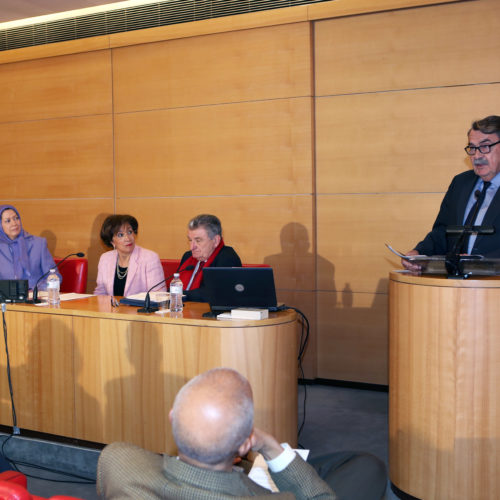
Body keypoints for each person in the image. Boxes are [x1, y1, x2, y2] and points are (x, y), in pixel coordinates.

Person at [97, 368, 387, 500]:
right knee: (366, 467)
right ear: (245, 445)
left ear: (172, 418)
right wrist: (271, 447)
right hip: (243, 483)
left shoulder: (117, 461)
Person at [403, 115, 500, 272]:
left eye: (485, 146)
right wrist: (420, 253)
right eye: (472, 148)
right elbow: (443, 231)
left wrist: (479, 264)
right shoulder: (461, 183)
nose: (477, 155)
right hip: (456, 285)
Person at [94, 214, 165, 296]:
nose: (127, 238)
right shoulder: (105, 259)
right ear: (112, 241)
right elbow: (100, 293)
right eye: (120, 235)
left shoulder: (150, 258)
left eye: (130, 232)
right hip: (111, 308)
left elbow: (159, 294)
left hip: (139, 308)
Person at [177, 214, 242, 301]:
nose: (192, 247)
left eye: (198, 240)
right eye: (190, 240)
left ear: (215, 241)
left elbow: (214, 294)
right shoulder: (187, 257)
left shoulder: (227, 258)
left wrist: (180, 294)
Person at [0, 204, 59, 288]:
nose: (14, 223)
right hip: (6, 299)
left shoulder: (38, 244)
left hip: (36, 297)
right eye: (8, 221)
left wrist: (37, 291)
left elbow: (54, 276)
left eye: (16, 218)